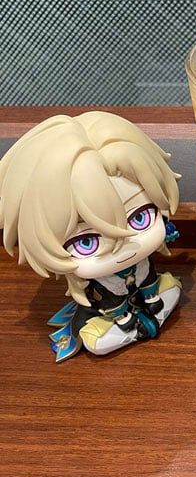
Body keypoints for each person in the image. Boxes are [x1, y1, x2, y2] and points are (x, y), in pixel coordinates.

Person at [0, 111, 181, 362]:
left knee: (170, 289)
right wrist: (123, 320)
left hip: (145, 286)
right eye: (86, 242)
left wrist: (152, 298)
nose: (122, 248)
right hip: (110, 306)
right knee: (96, 339)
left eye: (140, 217)